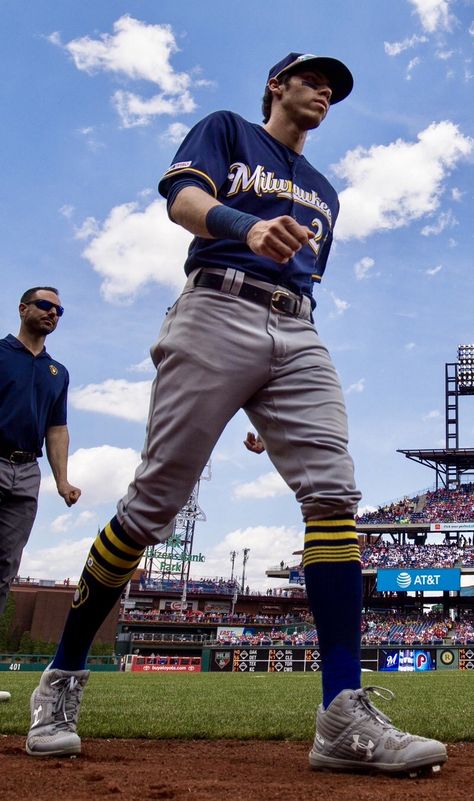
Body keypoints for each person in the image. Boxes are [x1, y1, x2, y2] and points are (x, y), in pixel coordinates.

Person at [25, 53, 446, 774]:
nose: (324, 91)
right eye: (312, 78)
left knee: (334, 493)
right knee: (152, 506)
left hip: (297, 330)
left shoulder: (325, 193)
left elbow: (306, 278)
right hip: (216, 302)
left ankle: (341, 711)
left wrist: (269, 397)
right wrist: (241, 225)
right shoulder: (228, 131)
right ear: (277, 85)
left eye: (333, 88)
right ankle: (61, 678)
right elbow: (183, 202)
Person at [0, 287, 81, 615]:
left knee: (6, 566)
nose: (52, 313)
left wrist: (62, 481)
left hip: (27, 470)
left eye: (58, 311)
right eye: (45, 305)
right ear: (23, 309)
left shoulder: (57, 372)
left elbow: (57, 428)